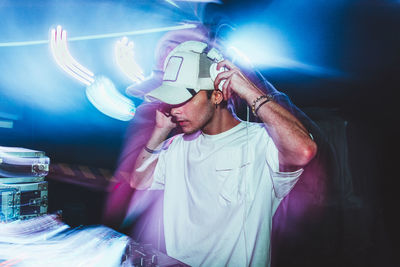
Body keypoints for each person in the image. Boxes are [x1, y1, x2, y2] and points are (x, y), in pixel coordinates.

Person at [129, 39, 317, 267]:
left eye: (183, 99)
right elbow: (138, 180)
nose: (174, 109)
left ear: (217, 95)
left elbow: (304, 150)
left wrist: (248, 90)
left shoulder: (262, 142)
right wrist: (160, 131)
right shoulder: (177, 146)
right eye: (171, 99)